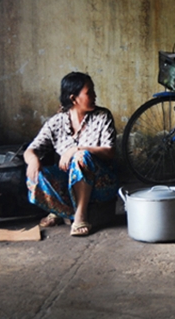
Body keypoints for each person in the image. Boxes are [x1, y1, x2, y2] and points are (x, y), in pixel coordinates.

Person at [25, 72, 119, 236]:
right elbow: (31, 150)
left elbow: (109, 151)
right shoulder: (56, 122)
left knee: (82, 157)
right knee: (35, 175)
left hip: (100, 183)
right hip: (68, 182)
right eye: (89, 92)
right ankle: (60, 210)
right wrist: (33, 161)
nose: (95, 95)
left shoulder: (102, 116)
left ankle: (80, 216)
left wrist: (77, 149)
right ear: (73, 99)